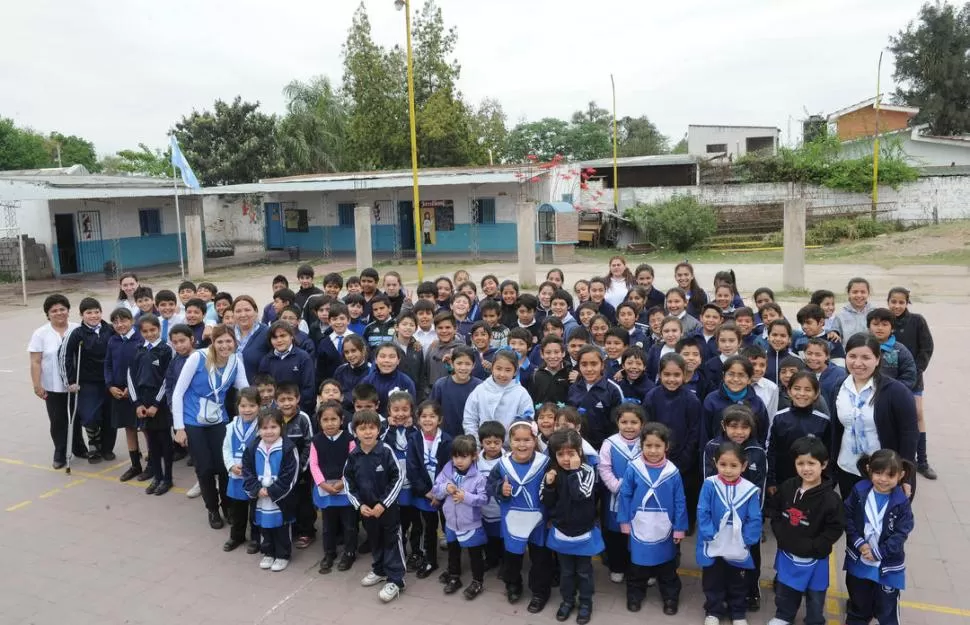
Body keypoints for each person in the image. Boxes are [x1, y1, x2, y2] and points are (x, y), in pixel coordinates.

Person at [172, 325, 250, 529]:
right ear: (213, 343)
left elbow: (245, 390)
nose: (225, 346)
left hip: (218, 419)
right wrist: (179, 427)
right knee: (204, 468)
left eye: (229, 341)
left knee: (225, 467)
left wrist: (259, 411)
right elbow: (178, 393)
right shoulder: (198, 358)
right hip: (193, 420)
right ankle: (212, 509)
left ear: (235, 342)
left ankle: (228, 506)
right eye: (220, 341)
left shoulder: (236, 361)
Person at [768, 436, 845, 625]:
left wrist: (817, 545)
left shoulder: (831, 499)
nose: (806, 468)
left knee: (815, 595)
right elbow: (775, 511)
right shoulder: (787, 487)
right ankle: (784, 616)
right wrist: (780, 533)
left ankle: (814, 620)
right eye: (800, 463)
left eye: (811, 463)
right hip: (788, 553)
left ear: (824, 464)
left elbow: (835, 528)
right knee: (785, 590)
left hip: (815, 558)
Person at [831, 333, 918, 499]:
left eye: (866, 357)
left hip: (883, 473)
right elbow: (836, 429)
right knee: (852, 519)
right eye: (852, 356)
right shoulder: (839, 387)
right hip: (847, 466)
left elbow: (909, 435)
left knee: (879, 521)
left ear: (877, 359)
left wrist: (906, 477)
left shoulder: (896, 392)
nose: (858, 363)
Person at [617, 421, 687, 616]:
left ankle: (670, 597)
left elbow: (680, 500)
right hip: (639, 525)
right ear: (642, 445)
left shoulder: (672, 472)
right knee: (637, 566)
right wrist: (624, 521)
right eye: (648, 445)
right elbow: (625, 495)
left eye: (658, 446)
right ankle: (634, 595)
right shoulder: (634, 468)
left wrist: (680, 528)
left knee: (667, 568)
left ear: (667, 447)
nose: (653, 450)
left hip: (665, 526)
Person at [485, 420, 553, 613]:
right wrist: (500, 488)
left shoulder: (545, 462)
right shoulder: (502, 464)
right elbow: (490, 484)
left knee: (540, 558)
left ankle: (540, 592)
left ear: (534, 440)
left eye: (527, 440)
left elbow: (554, 490)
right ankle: (513, 585)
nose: (522, 445)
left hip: (539, 520)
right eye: (517, 440)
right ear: (510, 441)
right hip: (512, 518)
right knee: (512, 556)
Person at [843, 449, 914, 625]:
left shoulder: (901, 502)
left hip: (887, 564)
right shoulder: (859, 490)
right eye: (878, 473)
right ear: (869, 469)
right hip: (860, 558)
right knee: (859, 601)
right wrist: (860, 544)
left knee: (886, 607)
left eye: (890, 475)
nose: (883, 479)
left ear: (901, 475)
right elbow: (847, 517)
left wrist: (879, 552)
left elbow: (901, 533)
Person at [696, 440, 763, 625]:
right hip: (715, 538)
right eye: (723, 464)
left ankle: (738, 611)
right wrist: (709, 532)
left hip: (738, 540)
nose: (727, 470)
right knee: (713, 577)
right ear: (715, 463)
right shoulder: (710, 484)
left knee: (738, 579)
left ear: (744, 466)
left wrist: (748, 538)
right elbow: (703, 510)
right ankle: (714, 610)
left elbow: (754, 516)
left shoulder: (749, 490)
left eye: (734, 465)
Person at [344, 410, 407, 603]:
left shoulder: (386, 451)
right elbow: (348, 482)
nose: (368, 432)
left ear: (379, 430)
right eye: (362, 428)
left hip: (387, 511)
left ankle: (396, 579)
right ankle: (379, 569)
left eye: (372, 428)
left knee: (391, 541)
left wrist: (383, 504)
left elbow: (398, 478)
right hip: (367, 511)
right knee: (375, 540)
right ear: (355, 432)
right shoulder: (353, 456)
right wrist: (359, 505)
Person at [543, 428, 603, 625]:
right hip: (562, 531)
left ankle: (586, 603)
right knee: (566, 571)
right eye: (560, 454)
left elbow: (581, 494)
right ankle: (567, 600)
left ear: (580, 452)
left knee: (584, 571)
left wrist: (575, 471)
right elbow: (546, 500)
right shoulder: (552, 471)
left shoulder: (587, 471)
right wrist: (550, 484)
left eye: (571, 453)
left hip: (583, 531)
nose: (566, 458)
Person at [29, 294, 83, 469]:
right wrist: (37, 385)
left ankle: (78, 446)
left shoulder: (77, 329)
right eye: (54, 310)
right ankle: (60, 451)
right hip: (53, 386)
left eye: (62, 309)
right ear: (48, 314)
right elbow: (35, 361)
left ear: (68, 311)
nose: (59, 313)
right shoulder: (41, 333)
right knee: (58, 420)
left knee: (76, 416)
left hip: (75, 384)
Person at [431, 434, 488, 599]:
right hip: (450, 522)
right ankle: (454, 576)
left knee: (474, 554)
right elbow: (436, 488)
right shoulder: (447, 470)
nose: (459, 461)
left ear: (473, 456)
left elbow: (484, 499)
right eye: (456, 456)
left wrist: (466, 497)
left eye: (464, 457)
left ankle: (478, 581)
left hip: (471, 524)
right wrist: (445, 487)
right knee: (453, 550)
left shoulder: (479, 477)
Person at [242, 408, 299, 572]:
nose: (269, 431)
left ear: (281, 427)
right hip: (260, 497)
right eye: (265, 428)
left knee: (281, 526)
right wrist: (256, 489)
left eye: (273, 427)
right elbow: (247, 470)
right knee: (263, 525)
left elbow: (291, 475)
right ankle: (268, 552)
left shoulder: (288, 448)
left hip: (280, 498)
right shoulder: (252, 447)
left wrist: (272, 491)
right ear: (258, 429)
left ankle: (282, 555)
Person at [887, 286, 936, 479]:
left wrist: (915, 372)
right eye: (893, 302)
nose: (897, 306)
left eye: (901, 302)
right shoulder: (883, 320)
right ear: (888, 302)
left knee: (917, 415)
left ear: (907, 303)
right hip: (889, 380)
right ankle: (894, 459)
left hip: (913, 378)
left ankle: (922, 461)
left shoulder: (917, 321)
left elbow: (927, 348)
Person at [64, 297, 116, 464]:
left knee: (109, 416)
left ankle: (107, 448)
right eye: (89, 313)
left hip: (109, 380)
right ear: (81, 315)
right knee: (89, 416)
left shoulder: (110, 330)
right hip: (87, 381)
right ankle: (94, 443)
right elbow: (66, 357)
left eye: (96, 312)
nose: (93, 315)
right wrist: (71, 380)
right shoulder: (77, 334)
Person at [598, 403, 644, 584]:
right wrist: (616, 486)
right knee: (616, 535)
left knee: (639, 532)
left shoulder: (646, 443)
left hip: (641, 497)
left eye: (634, 422)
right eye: (624, 422)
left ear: (642, 424)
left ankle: (640, 567)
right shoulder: (610, 443)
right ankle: (617, 566)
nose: (629, 426)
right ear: (617, 423)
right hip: (615, 496)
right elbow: (604, 467)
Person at [406, 400, 453, 579]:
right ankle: (430, 560)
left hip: (445, 493)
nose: (428, 420)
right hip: (424, 494)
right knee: (429, 528)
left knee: (450, 527)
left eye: (432, 416)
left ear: (439, 419)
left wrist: (440, 493)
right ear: (418, 419)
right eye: (424, 416)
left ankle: (453, 564)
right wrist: (427, 492)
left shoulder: (448, 440)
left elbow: (451, 469)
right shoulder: (414, 439)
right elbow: (412, 468)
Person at [310, 399, 358, 574]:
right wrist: (322, 483)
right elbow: (313, 465)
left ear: (341, 420)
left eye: (333, 419)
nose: (330, 423)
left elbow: (353, 463)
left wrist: (343, 481)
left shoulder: (349, 439)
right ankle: (329, 553)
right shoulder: (316, 441)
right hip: (326, 489)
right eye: (325, 420)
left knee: (349, 524)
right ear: (319, 421)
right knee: (328, 524)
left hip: (345, 488)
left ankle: (350, 552)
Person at [129, 314, 174, 495]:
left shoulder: (165, 350)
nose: (149, 334)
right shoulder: (138, 350)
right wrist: (138, 403)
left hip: (160, 405)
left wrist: (156, 403)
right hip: (144, 404)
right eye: (145, 331)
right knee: (152, 443)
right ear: (140, 332)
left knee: (165, 442)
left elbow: (167, 379)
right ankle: (157, 476)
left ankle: (168, 478)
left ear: (159, 329)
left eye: (152, 330)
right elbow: (130, 378)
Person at [766, 372, 832, 496]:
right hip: (783, 480)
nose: (802, 393)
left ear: (816, 393)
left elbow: (828, 455)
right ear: (789, 391)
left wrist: (825, 481)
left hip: (812, 481)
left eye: (808, 389)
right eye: (797, 388)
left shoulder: (823, 421)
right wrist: (771, 481)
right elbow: (772, 451)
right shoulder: (779, 418)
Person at [104, 307, 146, 481]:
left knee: (144, 427)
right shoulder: (113, 341)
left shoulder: (140, 339)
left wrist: (133, 387)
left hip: (137, 391)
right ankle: (135, 464)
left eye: (123, 320)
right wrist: (110, 386)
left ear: (132, 321)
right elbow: (107, 365)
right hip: (119, 392)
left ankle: (151, 465)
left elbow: (143, 367)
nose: (120, 325)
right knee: (129, 428)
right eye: (115, 322)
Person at [222, 387, 262, 553]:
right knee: (238, 509)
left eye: (252, 406)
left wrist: (252, 470)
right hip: (236, 476)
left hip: (254, 476)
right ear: (237, 406)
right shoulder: (231, 426)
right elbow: (226, 449)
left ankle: (255, 537)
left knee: (255, 509)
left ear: (259, 406)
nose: (247, 410)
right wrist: (231, 465)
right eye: (243, 406)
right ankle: (236, 536)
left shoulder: (262, 426)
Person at [462, 350, 534, 441]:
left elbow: (526, 422)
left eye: (508, 370)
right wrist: (476, 445)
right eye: (498, 369)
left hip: (512, 450)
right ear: (492, 368)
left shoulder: (521, 394)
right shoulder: (480, 390)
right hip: (483, 448)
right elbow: (470, 420)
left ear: (515, 371)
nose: (502, 374)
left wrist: (515, 446)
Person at [566, 346, 624, 450]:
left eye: (594, 364)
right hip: (578, 447)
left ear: (602, 365)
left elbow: (618, 424)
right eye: (584, 364)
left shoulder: (613, 390)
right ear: (578, 366)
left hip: (604, 448)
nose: (589, 369)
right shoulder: (573, 388)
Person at [258, 321, 316, 417]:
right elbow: (263, 388)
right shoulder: (266, 360)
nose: (279, 340)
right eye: (275, 337)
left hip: (298, 411)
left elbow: (308, 388)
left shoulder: (303, 357)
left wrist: (296, 409)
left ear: (291, 336)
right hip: (274, 413)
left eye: (283, 336)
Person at [430, 346, 481, 437]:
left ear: (473, 365)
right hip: (445, 437)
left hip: (470, 439)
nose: (463, 367)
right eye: (459, 363)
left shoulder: (479, 387)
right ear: (452, 364)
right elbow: (432, 410)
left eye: (467, 364)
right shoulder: (440, 385)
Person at [477, 420, 506, 571]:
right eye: (488, 442)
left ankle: (504, 564)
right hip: (484, 508)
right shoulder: (476, 460)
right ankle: (491, 559)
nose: (493, 446)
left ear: (503, 442)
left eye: (497, 442)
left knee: (503, 537)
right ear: (481, 442)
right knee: (488, 536)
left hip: (502, 509)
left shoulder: (507, 460)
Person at [232, 295, 270, 380]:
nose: (243, 314)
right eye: (238, 311)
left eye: (247, 310)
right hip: (230, 390)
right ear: (233, 314)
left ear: (255, 311)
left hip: (256, 390)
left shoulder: (267, 333)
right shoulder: (227, 332)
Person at [828, 277, 874, 344]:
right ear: (848, 293)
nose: (859, 295)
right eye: (855, 292)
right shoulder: (841, 315)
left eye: (863, 292)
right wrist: (833, 333)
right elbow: (835, 331)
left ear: (868, 293)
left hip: (869, 353)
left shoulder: (874, 313)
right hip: (848, 353)